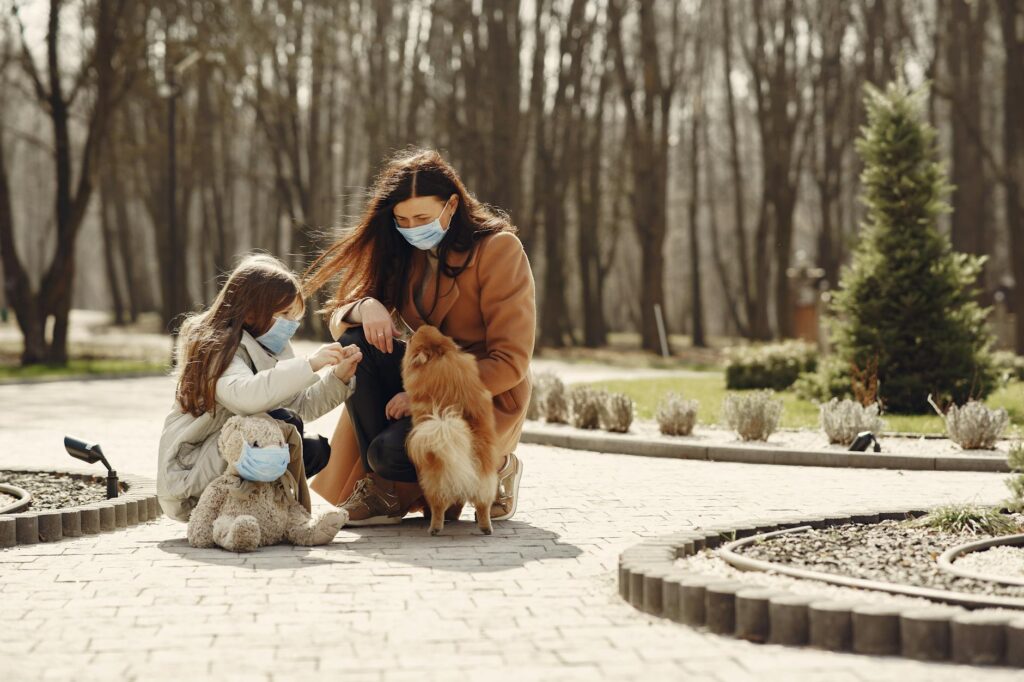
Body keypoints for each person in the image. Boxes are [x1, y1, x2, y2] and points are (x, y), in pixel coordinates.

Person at [304, 148, 536, 526]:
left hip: (480, 393)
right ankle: (382, 489)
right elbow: (339, 321)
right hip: (420, 377)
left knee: (391, 453)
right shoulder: (403, 252)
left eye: (423, 218)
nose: (413, 227)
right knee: (355, 347)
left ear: (452, 206)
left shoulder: (499, 250)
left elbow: (510, 362)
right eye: (403, 219)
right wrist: (366, 306)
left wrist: (426, 394)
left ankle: (494, 465)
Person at [157, 254, 362, 521]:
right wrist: (310, 364)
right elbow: (246, 397)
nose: (292, 324)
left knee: (310, 446)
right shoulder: (217, 347)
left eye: (295, 315)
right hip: (190, 480)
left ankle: (257, 508)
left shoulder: (272, 345)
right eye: (284, 314)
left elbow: (302, 406)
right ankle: (244, 509)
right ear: (251, 311)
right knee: (281, 424)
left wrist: (339, 377)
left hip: (227, 457)